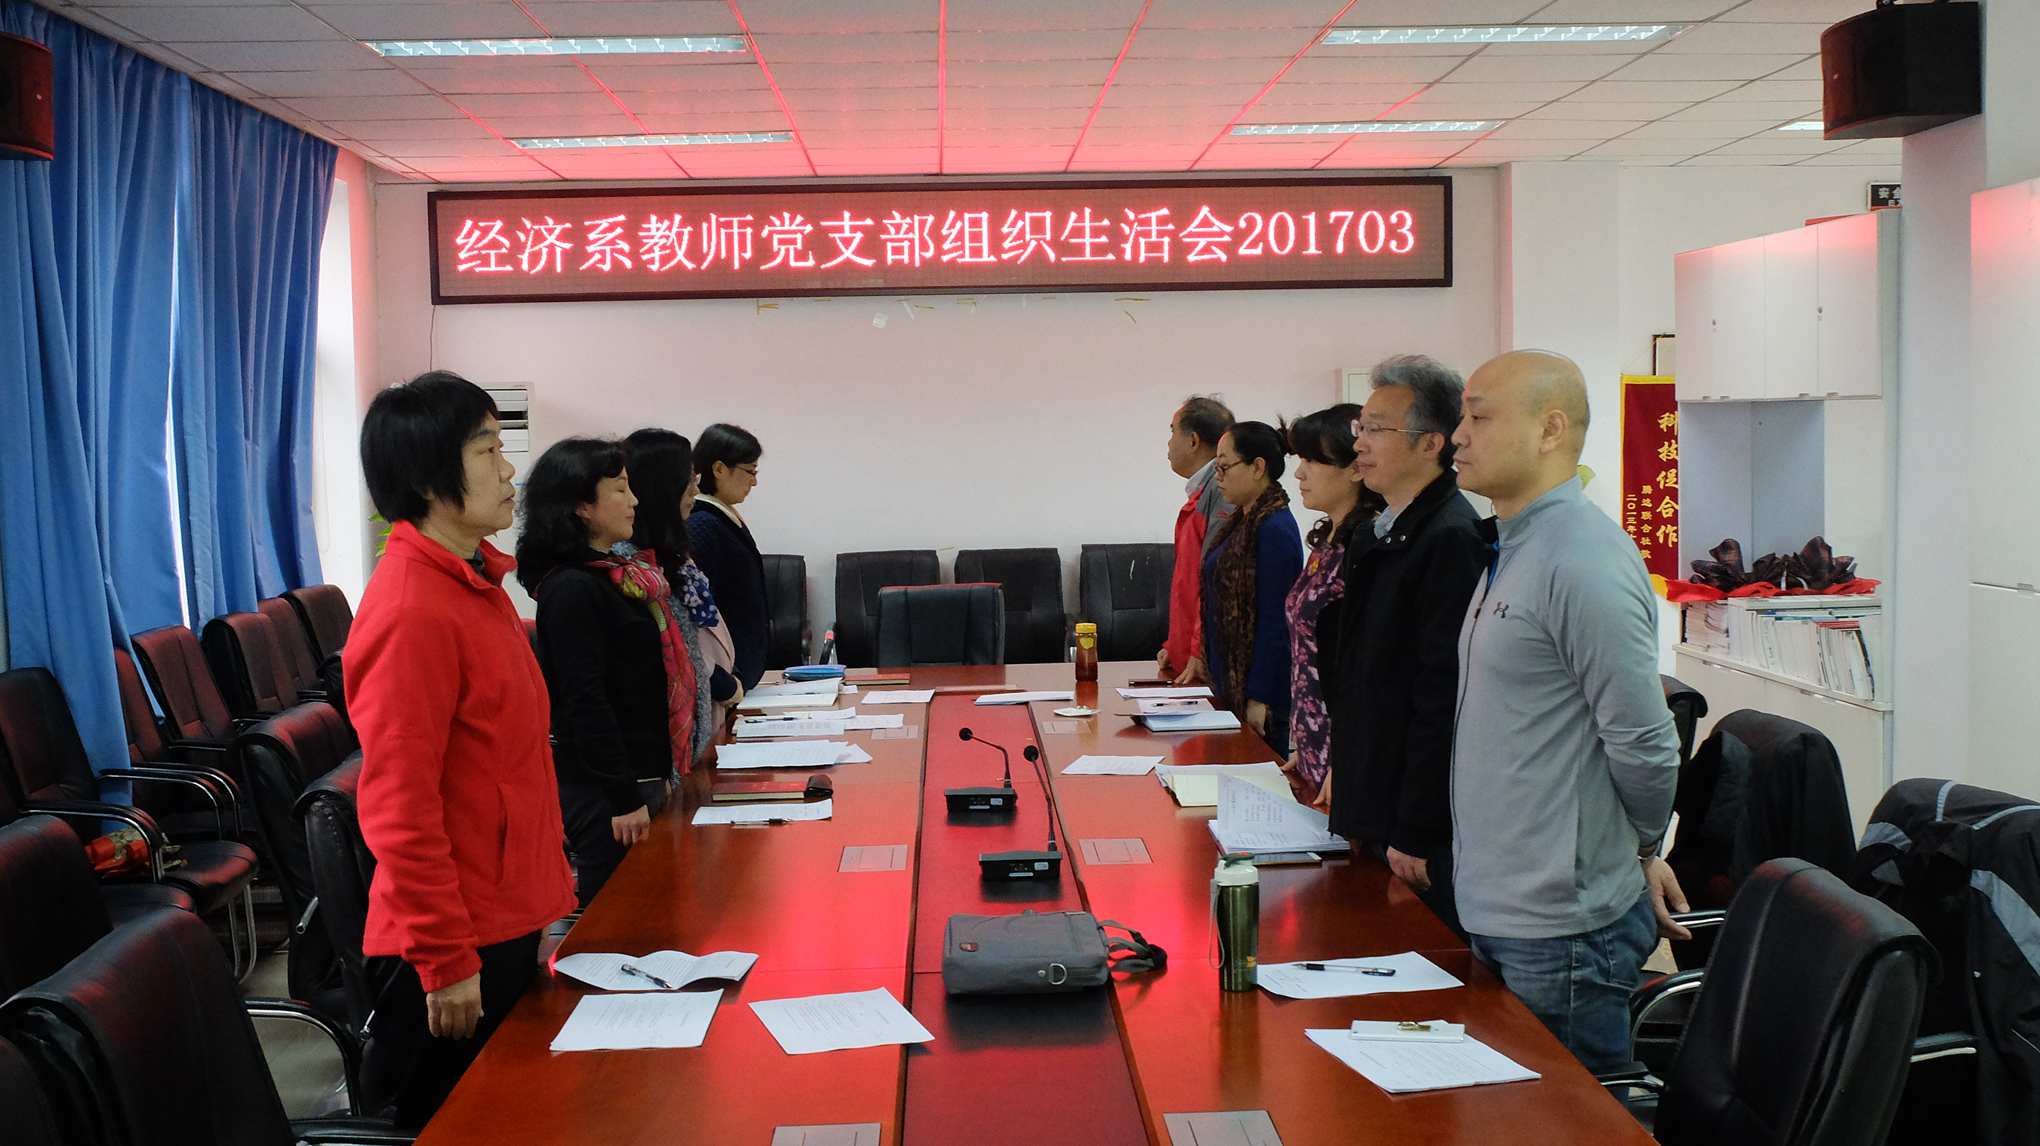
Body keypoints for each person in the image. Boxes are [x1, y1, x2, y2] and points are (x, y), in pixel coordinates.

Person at [1448, 349, 1690, 1073]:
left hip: (1561, 928)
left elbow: (1646, 742)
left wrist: (1639, 850)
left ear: (1550, 429)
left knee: (1568, 1119)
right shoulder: (1514, 545)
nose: (1458, 435)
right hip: (1500, 902)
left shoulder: (1582, 557)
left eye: (1479, 416)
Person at [347, 370, 575, 1128]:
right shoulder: (412, 608)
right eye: (487, 451)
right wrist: (444, 958)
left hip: (502, 914)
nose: (509, 472)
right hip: (452, 945)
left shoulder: (474, 585)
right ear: (427, 479)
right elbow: (399, 806)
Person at [1321, 356, 1488, 937]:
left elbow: (1441, 697)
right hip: (1376, 794)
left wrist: (1416, 827)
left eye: (1375, 429)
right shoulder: (1386, 527)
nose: (1359, 444)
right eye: (1360, 428)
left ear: (1431, 443)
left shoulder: (1449, 538)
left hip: (1410, 822)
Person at [516, 438, 692, 907]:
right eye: (619, 489)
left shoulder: (617, 574)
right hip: (606, 791)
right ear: (581, 505)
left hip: (638, 776)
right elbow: (585, 701)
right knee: (619, 917)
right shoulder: (572, 588)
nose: (633, 500)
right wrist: (623, 797)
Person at [623, 427, 744, 771]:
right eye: (687, 481)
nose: (694, 490)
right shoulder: (634, 569)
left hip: (710, 707)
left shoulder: (674, 552)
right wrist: (723, 684)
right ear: (661, 487)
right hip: (674, 730)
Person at [1279, 404, 1382, 806]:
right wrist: (1301, 742)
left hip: (1344, 752)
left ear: (1355, 468)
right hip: (1312, 741)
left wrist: (1344, 757)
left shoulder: (1366, 544)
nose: (1299, 474)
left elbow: (1366, 669)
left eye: (1313, 461)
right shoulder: (1328, 543)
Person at [1200, 420, 1304, 753]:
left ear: (1258, 467)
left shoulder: (1274, 527)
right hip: (1230, 682)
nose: (1218, 477)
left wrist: (1260, 696)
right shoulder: (1240, 521)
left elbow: (1277, 620)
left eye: (1224, 467)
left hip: (1260, 696)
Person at [1159, 395, 1235, 685]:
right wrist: (1174, 644)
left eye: (1172, 432)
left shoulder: (1221, 491)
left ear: (1193, 441)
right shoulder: (1203, 491)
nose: (1168, 443)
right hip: (1189, 656)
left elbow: (1217, 579)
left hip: (1206, 660)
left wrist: (1198, 648)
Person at [687, 423, 769, 688]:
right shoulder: (702, 523)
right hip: (726, 675)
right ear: (719, 469)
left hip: (741, 672)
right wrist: (724, 679)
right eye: (750, 471)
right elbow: (701, 612)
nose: (754, 481)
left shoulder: (723, 516)